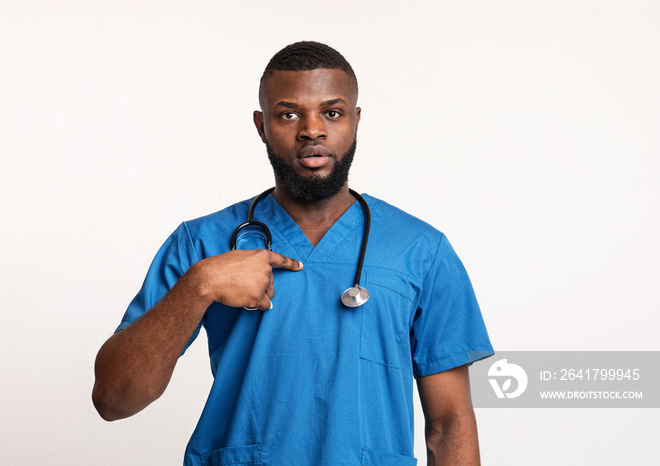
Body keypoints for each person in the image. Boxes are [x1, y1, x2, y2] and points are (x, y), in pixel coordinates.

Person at [93, 41, 494, 465]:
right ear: (261, 125)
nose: (312, 130)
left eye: (332, 112)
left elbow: (450, 423)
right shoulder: (202, 243)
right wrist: (201, 285)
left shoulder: (420, 250)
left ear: (355, 122)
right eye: (288, 114)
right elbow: (114, 399)